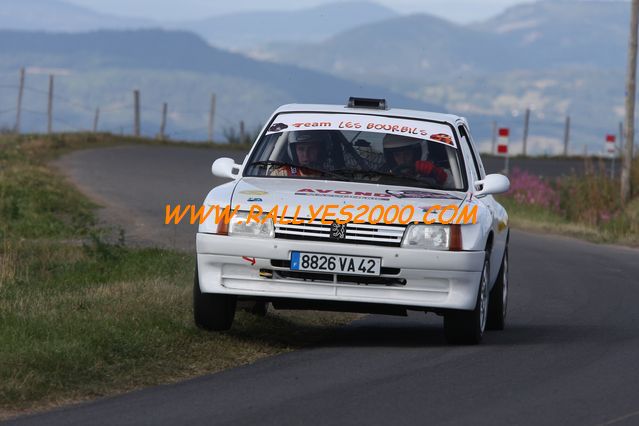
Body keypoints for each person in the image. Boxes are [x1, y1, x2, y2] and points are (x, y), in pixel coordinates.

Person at [383, 134, 448, 185]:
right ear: (391, 157)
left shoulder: (431, 171)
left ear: (416, 154)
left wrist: (438, 174)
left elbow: (454, 185)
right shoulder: (381, 173)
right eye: (397, 155)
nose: (403, 159)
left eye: (407, 154)